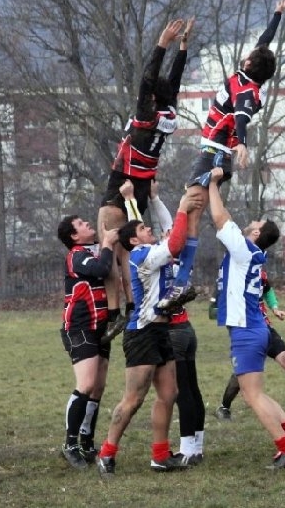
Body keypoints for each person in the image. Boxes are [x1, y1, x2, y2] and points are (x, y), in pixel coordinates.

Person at [159, 0, 285, 311]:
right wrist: (276, 14)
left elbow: (242, 118)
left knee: (190, 209)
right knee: (192, 212)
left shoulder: (246, 91)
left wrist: (242, 143)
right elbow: (264, 42)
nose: (248, 53)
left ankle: (181, 282)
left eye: (249, 55)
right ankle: (181, 282)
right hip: (213, 153)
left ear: (248, 64)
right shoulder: (249, 76)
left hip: (216, 155)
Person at [97, 17, 195, 341]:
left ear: (152, 98)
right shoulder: (167, 114)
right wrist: (183, 48)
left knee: (109, 244)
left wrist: (163, 44)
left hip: (124, 180)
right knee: (132, 248)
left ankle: (118, 312)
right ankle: (131, 305)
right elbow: (173, 83)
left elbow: (147, 80)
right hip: (142, 182)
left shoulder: (146, 117)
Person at [208, 167, 285, 469]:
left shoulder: (243, 249)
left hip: (247, 331)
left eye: (256, 222)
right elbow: (224, 217)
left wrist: (213, 184)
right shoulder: (250, 252)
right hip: (255, 328)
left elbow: (218, 217)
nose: (252, 221)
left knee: (252, 396)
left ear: (255, 233)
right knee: (257, 393)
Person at [95, 190, 201, 477]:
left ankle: (160, 456)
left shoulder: (149, 249)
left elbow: (168, 230)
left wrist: (153, 201)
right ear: (133, 241)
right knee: (134, 399)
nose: (148, 228)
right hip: (141, 333)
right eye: (143, 229)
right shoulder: (142, 255)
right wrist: (182, 207)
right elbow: (176, 242)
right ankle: (106, 453)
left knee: (169, 393)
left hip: (161, 330)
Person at [119, 179, 206, 465]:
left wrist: (145, 201)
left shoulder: (163, 252)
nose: (153, 231)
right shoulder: (157, 254)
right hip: (180, 328)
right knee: (185, 390)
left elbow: (144, 233)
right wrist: (149, 200)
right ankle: (193, 446)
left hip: (172, 329)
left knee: (177, 393)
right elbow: (138, 233)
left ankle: (186, 449)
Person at [214, 267, 285, 420]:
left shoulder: (259, 270)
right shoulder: (234, 271)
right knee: (243, 372)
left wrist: (275, 308)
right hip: (247, 331)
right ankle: (224, 408)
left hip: (265, 327)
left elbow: (267, 290)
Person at [56, 215, 119, 469]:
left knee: (98, 387)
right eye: (81, 224)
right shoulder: (77, 255)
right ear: (73, 236)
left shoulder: (91, 250)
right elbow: (101, 269)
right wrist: (107, 244)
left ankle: (86, 440)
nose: (87, 224)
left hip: (100, 326)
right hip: (79, 328)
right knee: (86, 384)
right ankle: (69, 444)